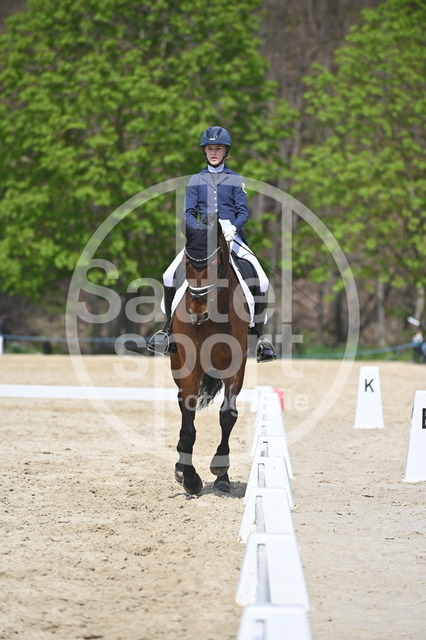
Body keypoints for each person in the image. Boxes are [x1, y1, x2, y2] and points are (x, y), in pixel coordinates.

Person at [148, 126, 277, 363]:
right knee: (168, 275)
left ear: (226, 151)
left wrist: (233, 228)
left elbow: (243, 212)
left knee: (262, 279)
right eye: (209, 148)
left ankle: (259, 338)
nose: (213, 152)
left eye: (218, 148)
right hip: (202, 236)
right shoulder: (196, 180)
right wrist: (197, 230)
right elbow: (189, 213)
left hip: (230, 235)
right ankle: (167, 331)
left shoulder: (235, 179)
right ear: (204, 152)